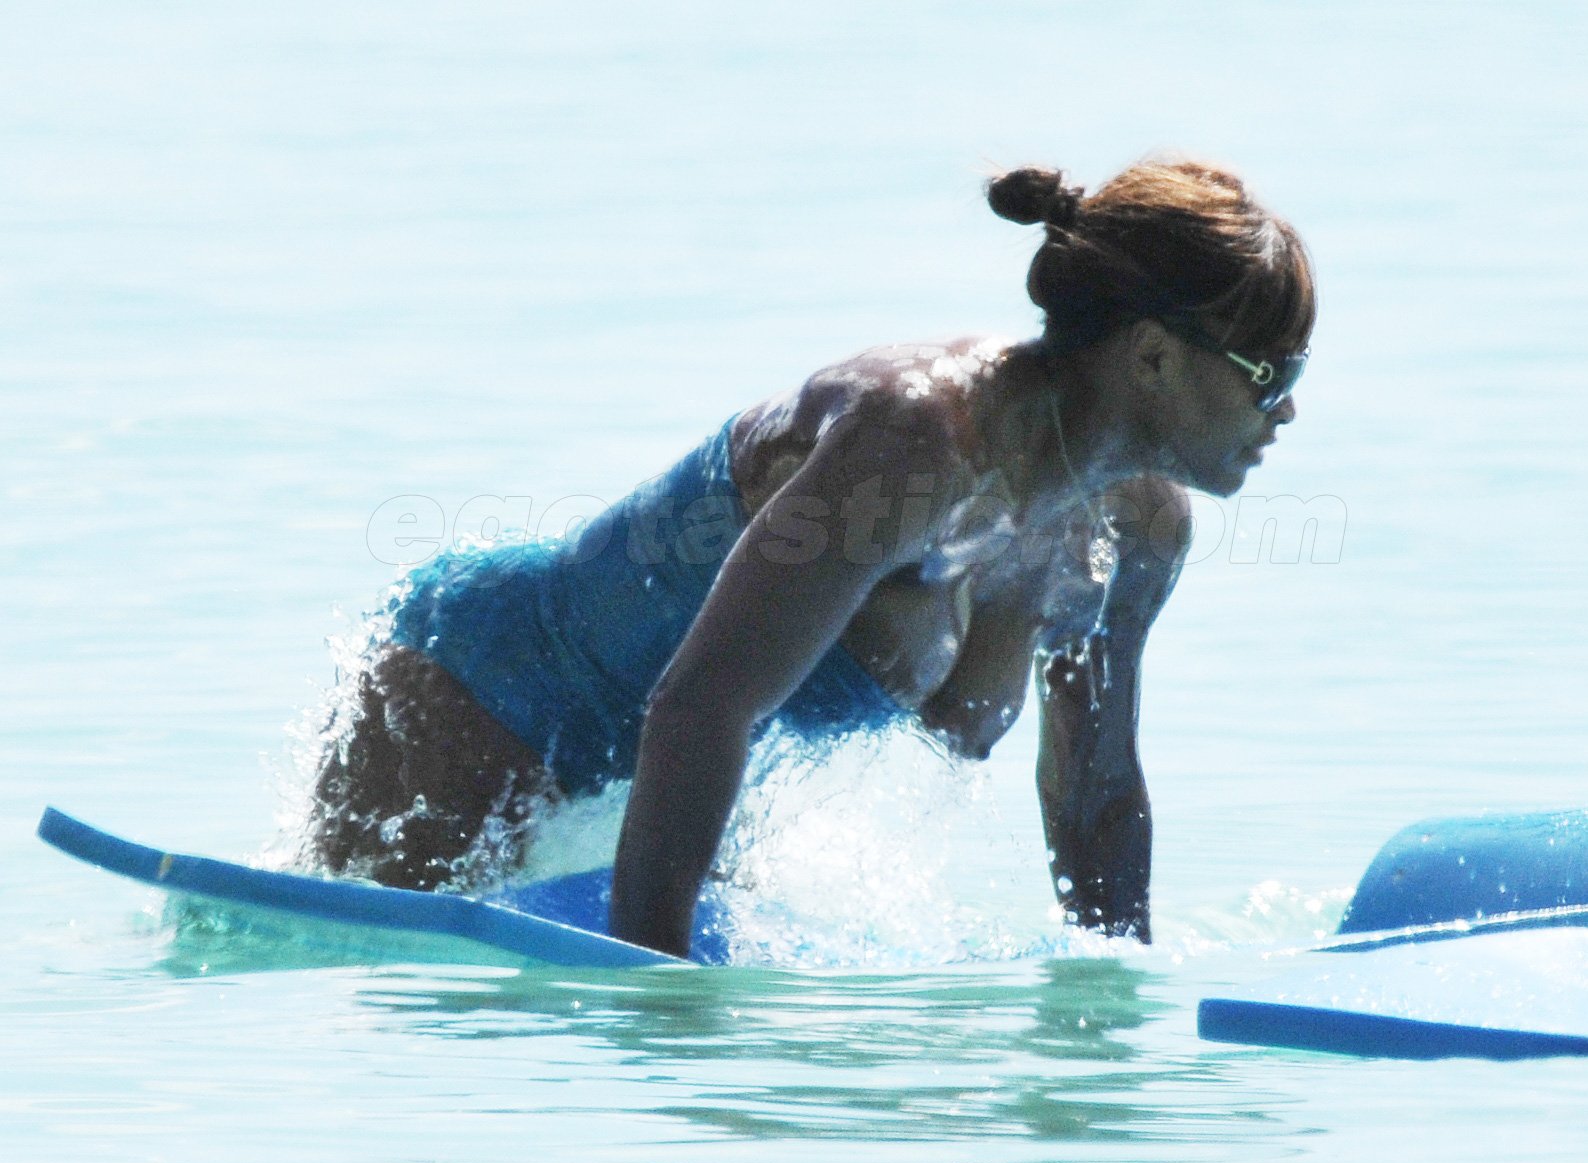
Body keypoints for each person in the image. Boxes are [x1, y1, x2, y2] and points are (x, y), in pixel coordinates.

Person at [311, 157, 1316, 958]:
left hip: (658, 797)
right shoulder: (916, 440)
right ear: (1151, 356)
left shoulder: (1138, 531)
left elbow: (1094, 797)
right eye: (1271, 372)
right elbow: (698, 707)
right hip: (483, 706)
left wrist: (1117, 1036)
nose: (1288, 408)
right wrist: (658, 1020)